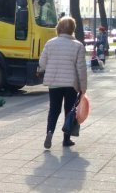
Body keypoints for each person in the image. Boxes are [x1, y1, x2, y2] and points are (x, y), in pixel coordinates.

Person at [39, 16, 87, 148]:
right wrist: (83, 87)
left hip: (54, 83)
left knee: (54, 110)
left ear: (59, 28)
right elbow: (81, 69)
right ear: (73, 29)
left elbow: (42, 64)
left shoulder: (50, 43)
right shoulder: (78, 45)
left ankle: (49, 132)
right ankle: (66, 139)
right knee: (69, 110)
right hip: (71, 84)